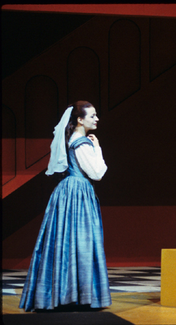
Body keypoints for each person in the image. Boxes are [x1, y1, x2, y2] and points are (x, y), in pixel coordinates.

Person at [19, 101, 112, 312]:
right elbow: (97, 173)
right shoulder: (82, 143)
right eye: (92, 115)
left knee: (65, 240)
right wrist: (98, 149)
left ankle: (64, 294)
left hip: (67, 191)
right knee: (81, 241)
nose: (97, 119)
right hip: (77, 192)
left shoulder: (73, 139)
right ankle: (77, 295)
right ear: (80, 119)